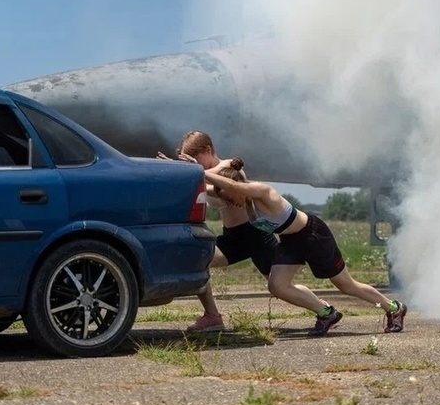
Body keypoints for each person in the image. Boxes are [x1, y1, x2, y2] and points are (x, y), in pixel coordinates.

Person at [203, 158, 407, 336]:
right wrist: (187, 170)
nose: (230, 203)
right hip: (290, 241)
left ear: (236, 186)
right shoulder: (236, 196)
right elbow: (210, 188)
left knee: (346, 285)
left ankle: (393, 308)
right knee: (277, 286)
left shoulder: (261, 191)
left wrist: (202, 171)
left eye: (230, 198)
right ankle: (326, 313)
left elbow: (235, 188)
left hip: (313, 235)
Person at [158, 131, 286, 333]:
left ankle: (323, 308)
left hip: (255, 236)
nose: (194, 164)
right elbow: (202, 181)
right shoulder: (204, 172)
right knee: (197, 260)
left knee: (281, 288)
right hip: (233, 238)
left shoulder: (230, 168)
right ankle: (212, 316)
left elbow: (213, 185)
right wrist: (176, 170)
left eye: (194, 159)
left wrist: (187, 172)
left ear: (208, 150)